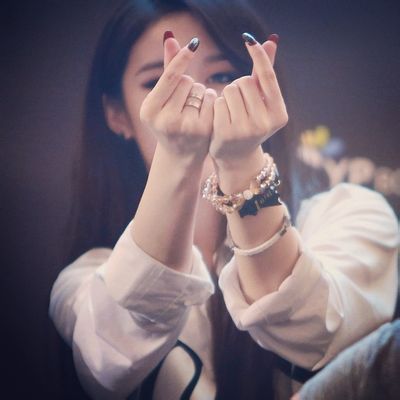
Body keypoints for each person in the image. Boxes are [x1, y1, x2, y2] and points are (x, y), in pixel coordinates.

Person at [49, 0, 399, 399]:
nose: (199, 99)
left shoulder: (351, 215)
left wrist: (241, 162)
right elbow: (113, 359)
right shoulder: (86, 279)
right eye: (159, 82)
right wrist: (176, 155)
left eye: (222, 76)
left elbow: (317, 331)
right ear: (117, 114)